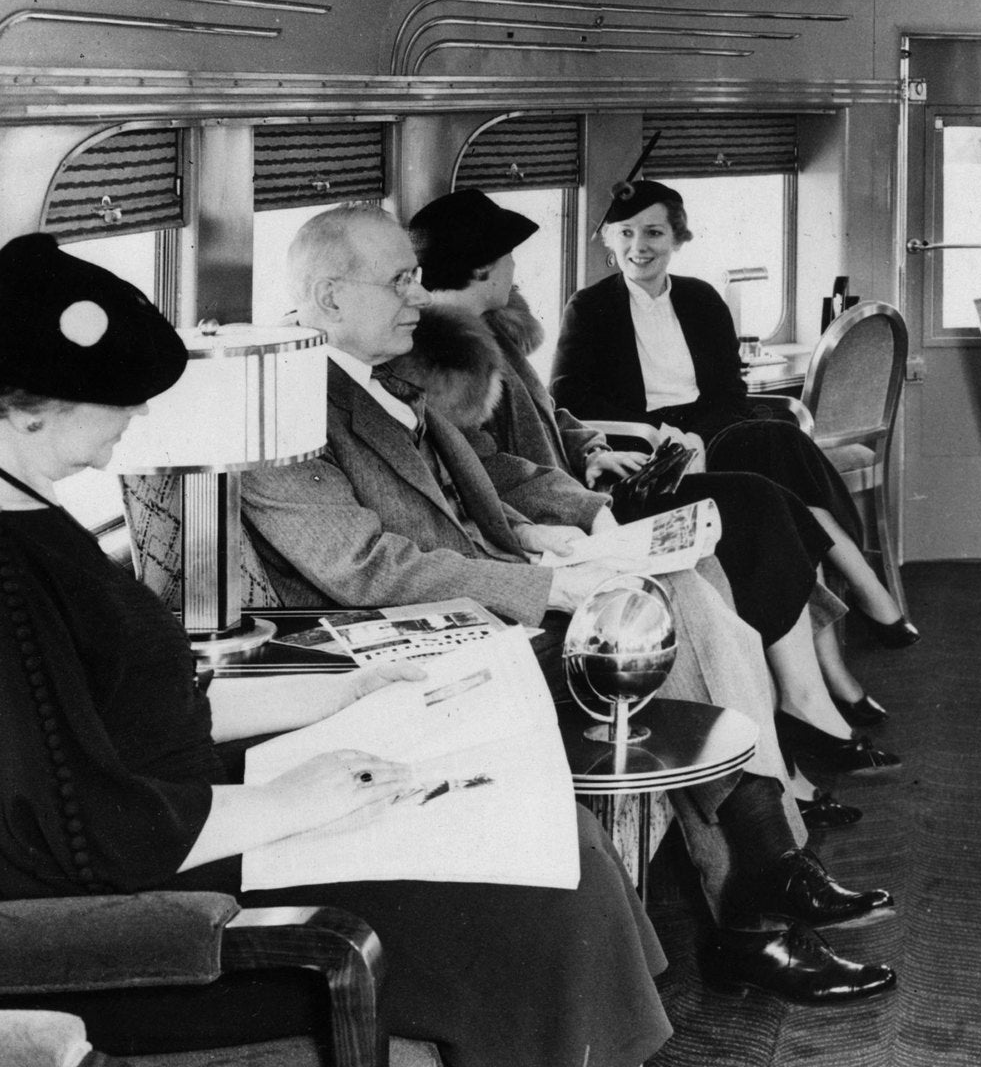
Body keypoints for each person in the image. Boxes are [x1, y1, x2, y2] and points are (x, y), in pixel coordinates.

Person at [0, 231, 672, 1066]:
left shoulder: (38, 516)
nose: (139, 415)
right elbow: (84, 828)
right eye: (119, 398)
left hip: (195, 827)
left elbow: (149, 708)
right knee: (540, 888)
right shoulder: (11, 567)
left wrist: (345, 693)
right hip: (158, 909)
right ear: (31, 406)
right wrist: (299, 801)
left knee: (554, 833)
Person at [239, 204, 897, 1003]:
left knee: (680, 586)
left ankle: (764, 890)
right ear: (332, 298)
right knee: (665, 604)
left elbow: (473, 485)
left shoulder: (383, 381)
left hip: (492, 595)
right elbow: (367, 567)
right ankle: (764, 890)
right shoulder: (283, 409)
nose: (419, 297)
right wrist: (548, 584)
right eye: (400, 281)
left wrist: (553, 530)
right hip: (425, 646)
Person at [406, 187, 898, 751]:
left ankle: (810, 699)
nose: (516, 269)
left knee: (764, 493)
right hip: (577, 519)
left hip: (589, 483)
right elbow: (485, 470)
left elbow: (550, 414)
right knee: (756, 505)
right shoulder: (449, 359)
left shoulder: (491, 332)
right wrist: (585, 502)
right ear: (483, 268)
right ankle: (812, 699)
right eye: (510, 257)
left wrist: (591, 450)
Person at [551, 164, 917, 651]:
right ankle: (869, 591)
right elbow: (569, 395)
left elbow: (728, 390)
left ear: (677, 238)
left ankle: (857, 589)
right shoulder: (589, 306)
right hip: (640, 444)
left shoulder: (701, 299)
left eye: (654, 232)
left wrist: (698, 436)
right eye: (626, 233)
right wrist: (656, 431)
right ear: (610, 242)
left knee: (779, 440)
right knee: (775, 474)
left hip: (709, 428)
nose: (639, 246)